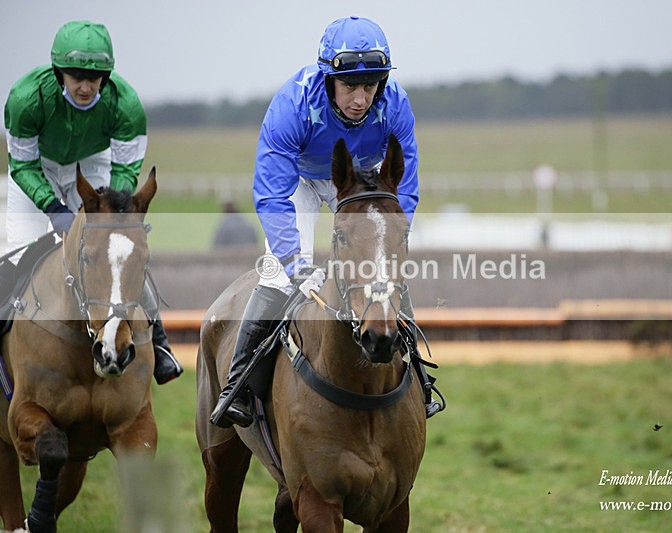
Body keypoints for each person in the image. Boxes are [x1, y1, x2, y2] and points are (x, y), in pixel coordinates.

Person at [211, 16, 424, 427]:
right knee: (277, 275)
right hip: (302, 180)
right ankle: (237, 384)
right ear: (329, 79)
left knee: (387, 268)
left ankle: (417, 374)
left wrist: (395, 238)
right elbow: (272, 192)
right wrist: (294, 262)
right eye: (350, 87)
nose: (361, 98)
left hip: (363, 179)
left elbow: (406, 185)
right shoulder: (292, 105)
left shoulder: (395, 103)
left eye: (370, 85)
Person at [3, 20, 182, 384]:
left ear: (106, 76)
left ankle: (160, 344)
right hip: (36, 171)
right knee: (14, 259)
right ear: (59, 74)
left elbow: (126, 169)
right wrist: (54, 210)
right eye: (76, 77)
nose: (86, 87)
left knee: (118, 253)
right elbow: (21, 164)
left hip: (93, 167)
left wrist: (109, 220)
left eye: (95, 78)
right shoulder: (24, 99)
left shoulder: (126, 104)